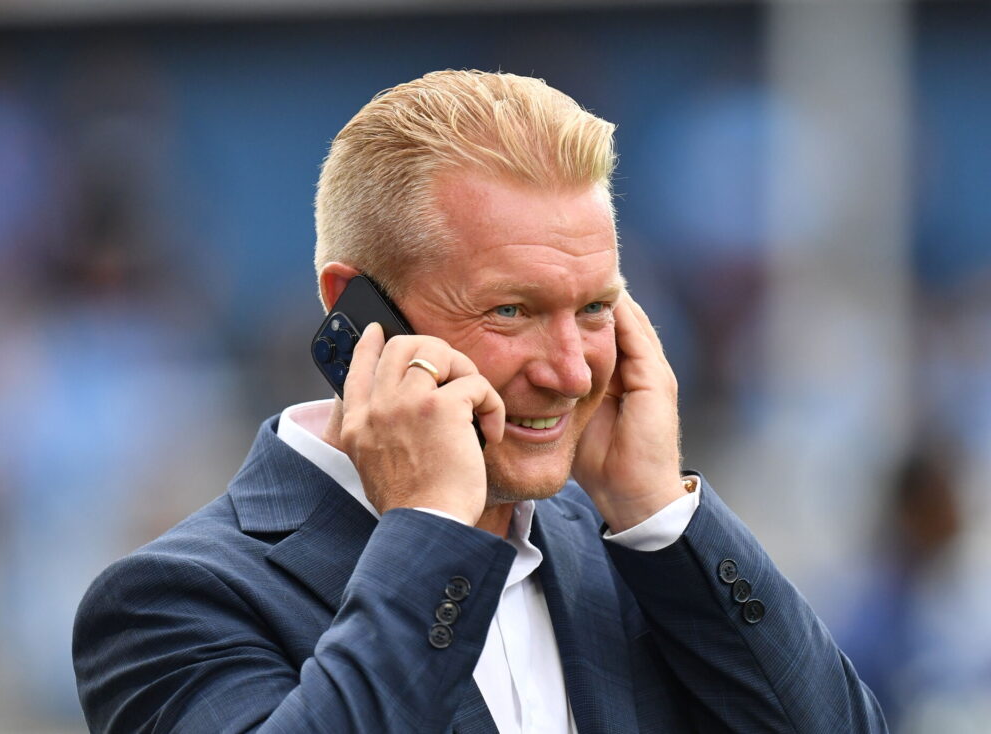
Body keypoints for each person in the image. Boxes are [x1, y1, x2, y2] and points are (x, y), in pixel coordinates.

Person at [73, 70, 886, 733]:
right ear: (359, 315)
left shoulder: (640, 555)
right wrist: (427, 533)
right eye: (513, 310)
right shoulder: (169, 602)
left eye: (595, 307)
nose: (571, 373)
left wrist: (657, 511)